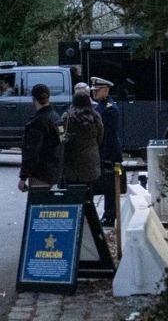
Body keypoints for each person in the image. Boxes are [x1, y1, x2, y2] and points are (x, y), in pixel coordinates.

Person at [18, 83, 62, 192]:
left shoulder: (37, 122)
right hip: (56, 171)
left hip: (41, 173)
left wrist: (23, 177)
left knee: (39, 205)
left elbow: (31, 151)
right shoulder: (57, 118)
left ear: (33, 99)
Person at [91, 76, 123, 226]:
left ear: (105, 90)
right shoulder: (101, 106)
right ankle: (107, 213)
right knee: (106, 185)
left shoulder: (109, 109)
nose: (94, 93)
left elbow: (108, 136)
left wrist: (104, 156)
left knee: (110, 186)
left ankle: (110, 215)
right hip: (104, 151)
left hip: (110, 153)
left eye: (96, 90)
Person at [61, 92, 104, 188]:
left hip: (72, 162)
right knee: (89, 190)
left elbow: (61, 137)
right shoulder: (96, 116)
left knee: (73, 193)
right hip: (91, 162)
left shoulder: (67, 116)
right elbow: (100, 138)